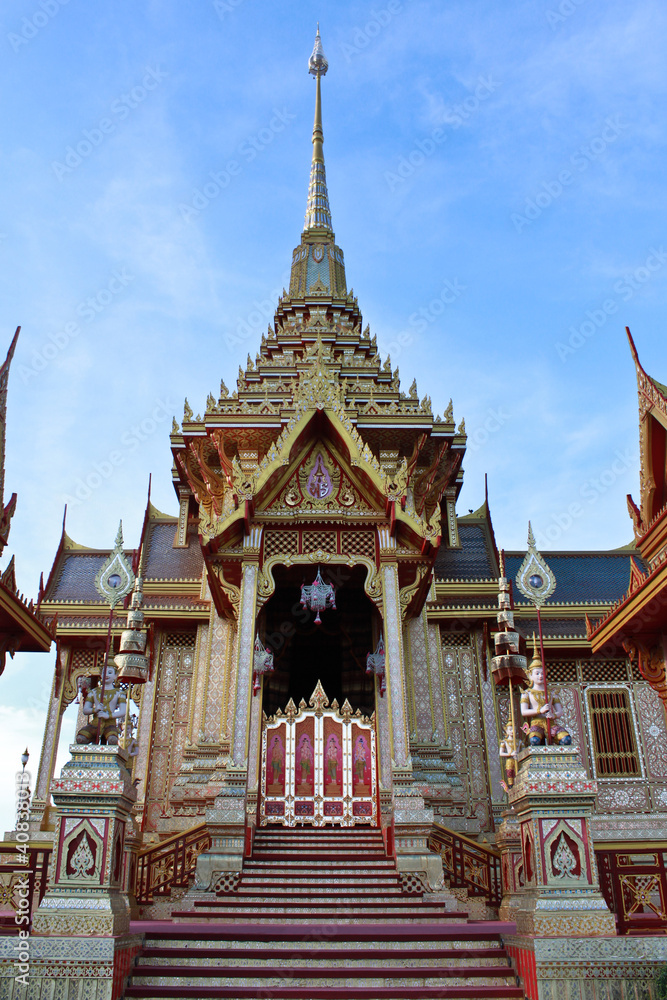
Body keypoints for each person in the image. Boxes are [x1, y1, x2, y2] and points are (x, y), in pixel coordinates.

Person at [520, 643, 572, 746]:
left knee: (566, 740)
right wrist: (540, 710)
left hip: (550, 723)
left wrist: (553, 715)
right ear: (530, 675)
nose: (540, 676)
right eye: (537, 673)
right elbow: (524, 712)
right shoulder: (527, 693)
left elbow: (560, 711)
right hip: (536, 723)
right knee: (535, 740)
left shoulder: (551, 693)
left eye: (543, 673)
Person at [76, 661, 126, 745]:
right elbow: (85, 710)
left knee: (112, 740)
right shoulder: (94, 692)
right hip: (95, 723)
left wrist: (108, 716)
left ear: (115, 675)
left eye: (110, 673)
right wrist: (95, 709)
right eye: (104, 672)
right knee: (80, 739)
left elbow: (123, 711)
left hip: (110, 724)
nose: (106, 675)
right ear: (101, 674)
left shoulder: (119, 693)